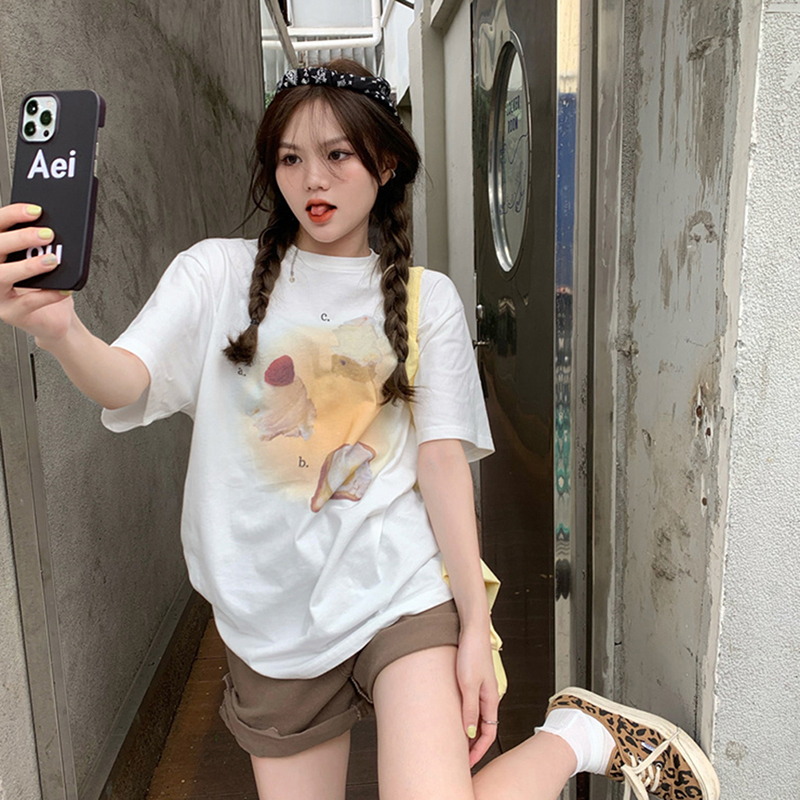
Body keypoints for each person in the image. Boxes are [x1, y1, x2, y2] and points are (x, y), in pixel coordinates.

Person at [0, 60, 719, 800]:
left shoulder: (428, 300)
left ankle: (576, 741)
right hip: (268, 618)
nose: (312, 180)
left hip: (396, 591)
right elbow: (129, 380)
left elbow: (442, 465)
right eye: (290, 159)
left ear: (385, 162)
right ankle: (579, 732)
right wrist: (60, 331)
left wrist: (475, 627)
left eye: (337, 154)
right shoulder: (214, 274)